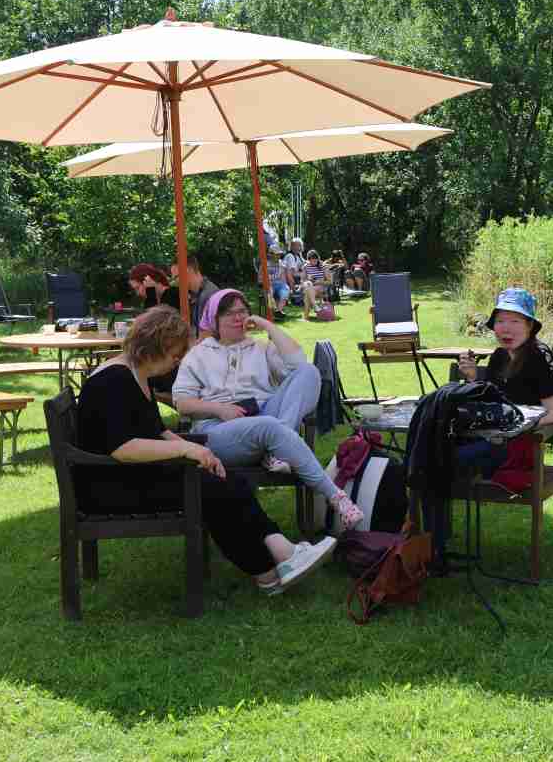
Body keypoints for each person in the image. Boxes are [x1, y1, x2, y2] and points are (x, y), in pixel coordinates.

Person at [77, 305, 336, 594]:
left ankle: (279, 558)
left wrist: (198, 450)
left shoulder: (135, 374)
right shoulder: (113, 381)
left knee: (228, 479)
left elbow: (157, 431)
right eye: (174, 355)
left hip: (132, 474)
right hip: (110, 487)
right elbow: (124, 448)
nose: (176, 362)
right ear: (156, 345)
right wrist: (188, 451)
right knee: (216, 490)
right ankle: (269, 569)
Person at [172, 289, 364, 527]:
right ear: (215, 320)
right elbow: (182, 403)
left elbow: (298, 364)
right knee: (269, 425)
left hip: (264, 415)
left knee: (309, 372)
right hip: (218, 430)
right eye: (229, 313)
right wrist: (219, 409)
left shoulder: (261, 348)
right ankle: (336, 496)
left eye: (242, 311)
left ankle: (276, 451)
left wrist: (268, 326)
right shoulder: (199, 355)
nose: (238, 318)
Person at [454, 287, 553, 476]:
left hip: (518, 446)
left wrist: (512, 428)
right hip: (490, 439)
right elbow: (488, 401)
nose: (506, 328)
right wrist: (472, 376)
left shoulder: (539, 356)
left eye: (515, 321)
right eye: (500, 321)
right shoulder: (499, 356)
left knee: (445, 460)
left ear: (529, 326)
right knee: (430, 448)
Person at [162, 258, 220, 335]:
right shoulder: (195, 294)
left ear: (189, 270)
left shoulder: (209, 295)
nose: (176, 282)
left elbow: (209, 333)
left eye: (176, 277)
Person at [299, 249, 329, 318]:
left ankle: (306, 317)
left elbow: (329, 281)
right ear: (308, 260)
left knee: (307, 294)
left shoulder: (323, 266)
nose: (313, 262)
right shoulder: (306, 266)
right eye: (311, 261)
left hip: (320, 287)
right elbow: (302, 280)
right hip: (309, 286)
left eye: (315, 260)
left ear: (318, 259)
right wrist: (309, 279)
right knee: (308, 284)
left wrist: (319, 281)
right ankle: (315, 305)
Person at [264, 247, 290, 313]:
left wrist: (285, 285)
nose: (278, 256)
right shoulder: (265, 264)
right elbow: (261, 277)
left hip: (280, 284)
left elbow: (283, 279)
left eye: (279, 254)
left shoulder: (282, 264)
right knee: (270, 291)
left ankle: (279, 311)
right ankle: (274, 309)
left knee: (285, 290)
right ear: (270, 255)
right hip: (269, 284)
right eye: (276, 254)